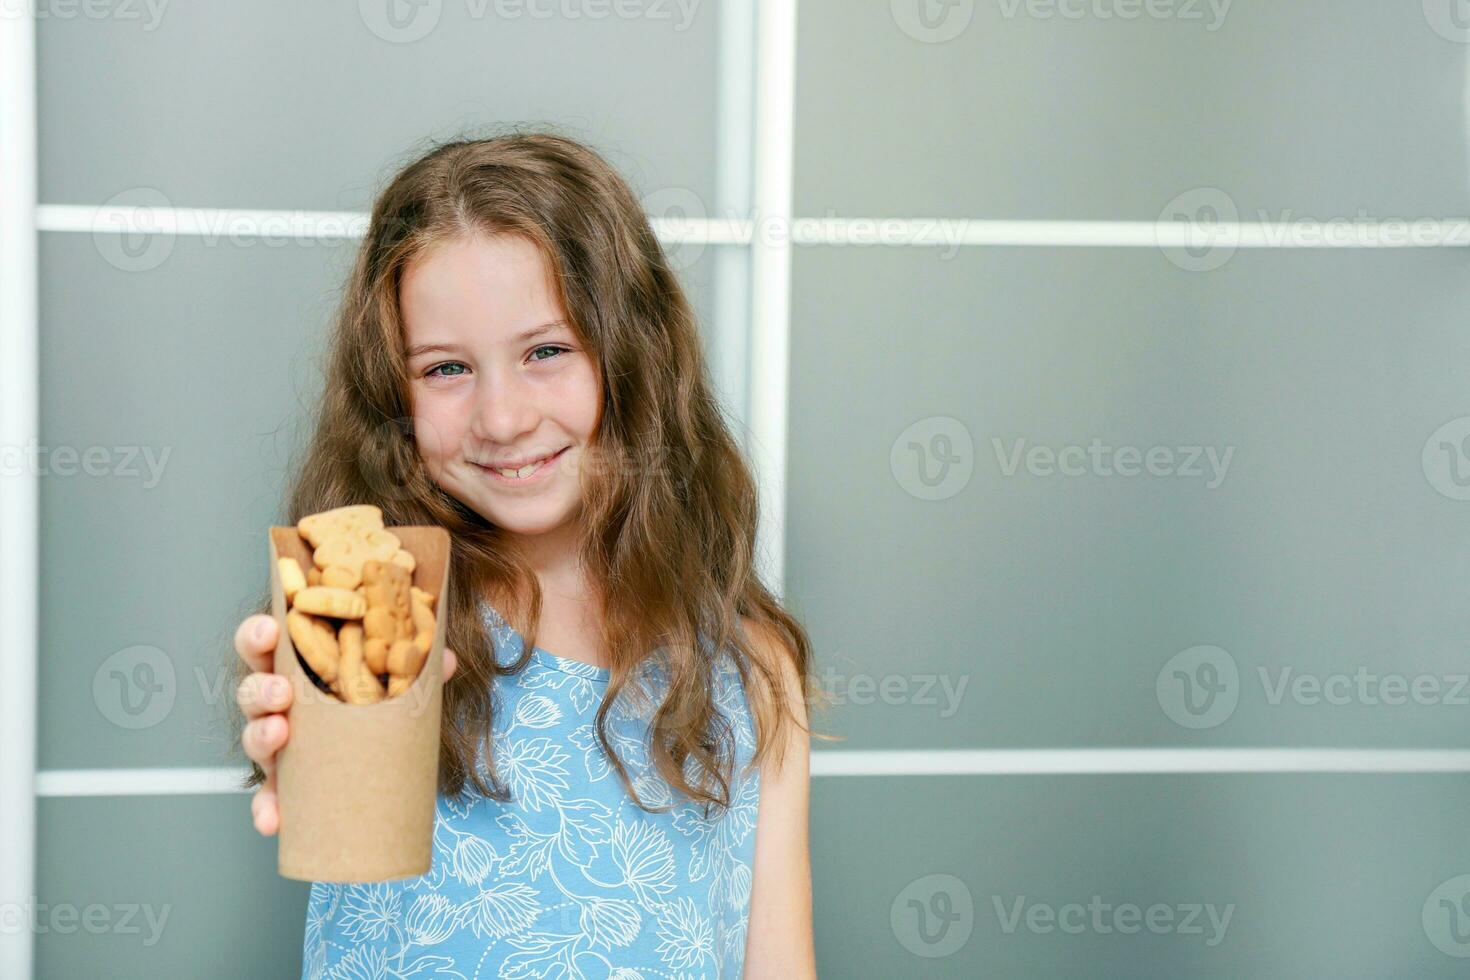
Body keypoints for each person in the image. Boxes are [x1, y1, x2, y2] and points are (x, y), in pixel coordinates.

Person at [228, 130, 829, 979]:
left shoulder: (748, 670)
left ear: (632, 355)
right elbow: (313, 737)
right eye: (444, 370)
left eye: (546, 351)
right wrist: (295, 724)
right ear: (389, 393)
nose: (501, 418)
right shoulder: (398, 623)